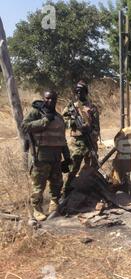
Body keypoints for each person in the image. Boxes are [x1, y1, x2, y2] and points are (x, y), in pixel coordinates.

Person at [22, 91, 71, 222]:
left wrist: (67, 157)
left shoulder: (59, 118)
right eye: (47, 99)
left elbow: (62, 139)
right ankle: (37, 209)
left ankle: (54, 206)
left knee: (57, 184)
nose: (50, 101)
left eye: (53, 99)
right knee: (38, 187)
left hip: (56, 158)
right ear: (44, 99)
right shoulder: (36, 113)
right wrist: (44, 121)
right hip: (40, 158)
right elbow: (24, 126)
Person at [62, 81, 100, 196]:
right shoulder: (70, 108)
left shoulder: (92, 107)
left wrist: (91, 132)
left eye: (81, 91)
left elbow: (97, 127)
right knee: (73, 167)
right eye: (77, 91)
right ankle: (66, 191)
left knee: (92, 167)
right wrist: (73, 122)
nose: (79, 93)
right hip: (77, 143)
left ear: (86, 92)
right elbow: (62, 123)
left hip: (90, 141)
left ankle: (88, 188)